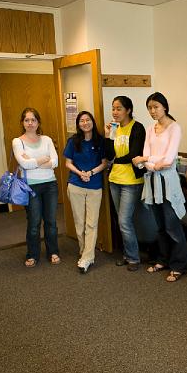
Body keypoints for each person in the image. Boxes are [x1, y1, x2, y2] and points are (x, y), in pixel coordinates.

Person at [136, 92, 187, 282]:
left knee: (172, 226)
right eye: (149, 107)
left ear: (164, 107)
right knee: (160, 226)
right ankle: (163, 260)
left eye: (156, 107)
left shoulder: (174, 128)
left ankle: (179, 265)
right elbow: (147, 156)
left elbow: (168, 160)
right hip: (152, 182)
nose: (152, 111)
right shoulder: (150, 129)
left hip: (168, 183)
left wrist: (146, 161)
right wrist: (150, 162)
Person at [13, 108, 60, 268]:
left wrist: (33, 161)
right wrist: (42, 160)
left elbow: (56, 162)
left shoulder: (46, 139)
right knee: (33, 223)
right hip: (30, 187)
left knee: (51, 221)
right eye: (27, 120)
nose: (30, 123)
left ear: (38, 122)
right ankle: (32, 254)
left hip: (50, 185)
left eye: (33, 120)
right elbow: (24, 164)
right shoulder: (17, 141)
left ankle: (53, 251)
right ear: (22, 122)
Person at [104, 95, 146, 271]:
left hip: (131, 181)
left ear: (128, 110)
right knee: (120, 220)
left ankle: (134, 258)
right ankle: (128, 255)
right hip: (114, 179)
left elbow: (134, 154)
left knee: (124, 221)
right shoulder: (114, 128)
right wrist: (107, 136)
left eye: (119, 108)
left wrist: (115, 161)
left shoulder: (137, 128)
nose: (115, 112)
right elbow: (108, 154)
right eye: (113, 108)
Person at [64, 110, 108, 273]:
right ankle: (84, 252)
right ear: (78, 124)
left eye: (87, 120)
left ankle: (88, 257)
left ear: (92, 122)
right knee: (79, 222)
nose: (85, 123)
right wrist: (80, 173)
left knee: (91, 223)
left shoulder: (100, 141)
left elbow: (104, 163)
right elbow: (68, 162)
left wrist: (90, 173)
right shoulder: (73, 141)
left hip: (94, 186)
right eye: (81, 120)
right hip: (75, 184)